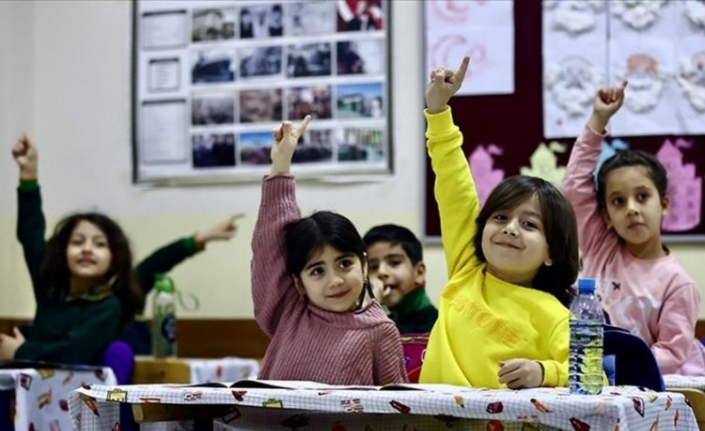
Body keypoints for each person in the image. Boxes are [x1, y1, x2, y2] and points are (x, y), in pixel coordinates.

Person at [419, 57, 580, 389]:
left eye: (530, 225)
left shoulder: (554, 315)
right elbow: (454, 186)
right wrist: (438, 113)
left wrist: (544, 372)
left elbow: (595, 377)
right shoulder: (467, 268)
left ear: (551, 253)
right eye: (501, 217)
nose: (510, 228)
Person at [7, 135, 242, 358]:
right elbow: (31, 233)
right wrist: (28, 174)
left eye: (99, 244)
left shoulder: (109, 305)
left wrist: (201, 238)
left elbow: (153, 264)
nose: (87, 249)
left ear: (114, 258)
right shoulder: (49, 287)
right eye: (78, 242)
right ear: (62, 252)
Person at [562, 81, 705, 376]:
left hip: (642, 391)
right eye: (618, 201)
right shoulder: (600, 246)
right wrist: (598, 120)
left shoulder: (678, 284)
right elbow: (575, 186)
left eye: (642, 196)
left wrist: (612, 367)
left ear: (664, 204)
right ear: (606, 216)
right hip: (591, 380)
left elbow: (671, 354)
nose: (631, 208)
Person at [251, 116, 407, 385]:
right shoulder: (289, 313)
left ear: (365, 266)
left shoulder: (380, 331)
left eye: (344, 264)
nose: (335, 280)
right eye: (317, 271)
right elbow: (270, 247)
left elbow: (398, 409)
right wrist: (280, 166)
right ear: (298, 283)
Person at [363, 224, 437, 334]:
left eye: (394, 262)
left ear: (419, 272)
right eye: (373, 267)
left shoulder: (438, 324)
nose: (381, 272)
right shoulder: (367, 318)